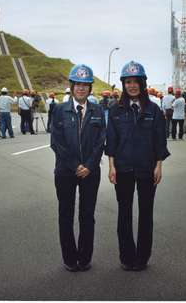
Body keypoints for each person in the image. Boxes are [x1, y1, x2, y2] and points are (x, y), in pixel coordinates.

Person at [105, 61, 170, 271]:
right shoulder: (115, 111)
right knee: (124, 213)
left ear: (143, 83)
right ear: (123, 84)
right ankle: (126, 257)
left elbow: (160, 140)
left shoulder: (154, 110)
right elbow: (111, 141)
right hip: (122, 168)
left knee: (146, 213)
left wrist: (159, 165)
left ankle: (142, 257)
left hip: (146, 168)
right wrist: (111, 166)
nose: (132, 85)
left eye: (136, 82)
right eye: (128, 81)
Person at [50, 64, 105, 272]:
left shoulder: (98, 110)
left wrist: (89, 165)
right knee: (65, 213)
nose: (81, 89)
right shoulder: (59, 110)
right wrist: (76, 165)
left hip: (91, 173)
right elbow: (57, 142)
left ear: (90, 88)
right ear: (72, 86)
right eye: (78, 85)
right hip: (65, 171)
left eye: (85, 85)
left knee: (87, 215)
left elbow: (101, 141)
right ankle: (69, 258)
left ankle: (85, 257)